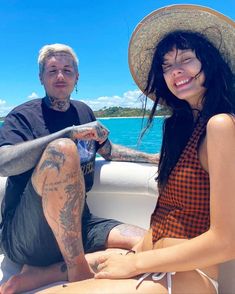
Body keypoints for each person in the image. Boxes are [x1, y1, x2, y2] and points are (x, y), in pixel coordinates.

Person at [36, 4, 235, 294]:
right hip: (151, 258)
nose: (176, 71)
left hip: (190, 274)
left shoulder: (220, 126)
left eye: (187, 60)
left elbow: (226, 241)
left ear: (210, 62)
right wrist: (135, 257)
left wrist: (134, 265)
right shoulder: (178, 127)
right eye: (166, 66)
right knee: (40, 282)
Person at [0, 43, 159, 293]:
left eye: (67, 70)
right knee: (62, 149)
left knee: (150, 244)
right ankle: (76, 268)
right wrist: (66, 134)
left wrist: (153, 158)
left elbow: (108, 150)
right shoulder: (23, 116)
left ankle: (45, 274)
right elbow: (3, 162)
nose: (60, 76)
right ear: (41, 78)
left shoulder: (84, 111)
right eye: (52, 71)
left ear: (77, 77)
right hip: (26, 235)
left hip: (77, 223)